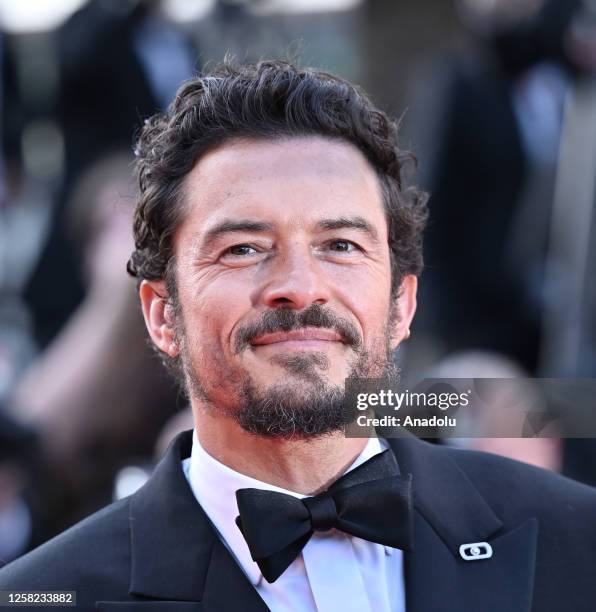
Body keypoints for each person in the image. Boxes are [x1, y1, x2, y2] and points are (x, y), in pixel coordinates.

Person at [1, 59, 595, 612]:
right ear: (162, 314)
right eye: (243, 249)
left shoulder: (577, 539)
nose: (300, 287)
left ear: (402, 304)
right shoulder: (43, 596)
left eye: (340, 245)